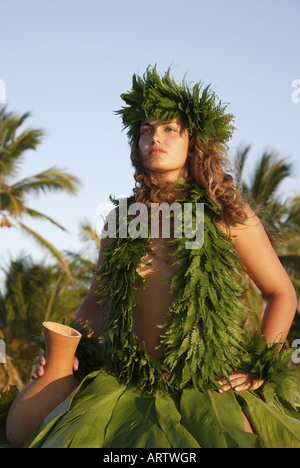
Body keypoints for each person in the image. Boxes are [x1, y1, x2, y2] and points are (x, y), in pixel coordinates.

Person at [30, 66, 300, 448]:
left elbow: (281, 292)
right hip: (128, 385)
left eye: (170, 128)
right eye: (145, 130)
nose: (155, 137)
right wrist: (66, 352)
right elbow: (96, 303)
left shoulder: (225, 214)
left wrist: (260, 366)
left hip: (208, 386)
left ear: (194, 141)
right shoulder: (120, 221)